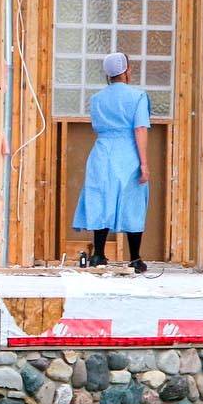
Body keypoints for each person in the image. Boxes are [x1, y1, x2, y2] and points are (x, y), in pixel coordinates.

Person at [72, 51, 152, 273]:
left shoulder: (97, 98)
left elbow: (97, 126)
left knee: (101, 199)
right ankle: (135, 258)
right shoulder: (138, 96)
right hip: (128, 152)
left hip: (101, 152)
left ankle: (98, 254)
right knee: (133, 201)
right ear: (127, 70)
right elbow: (140, 129)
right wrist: (144, 164)